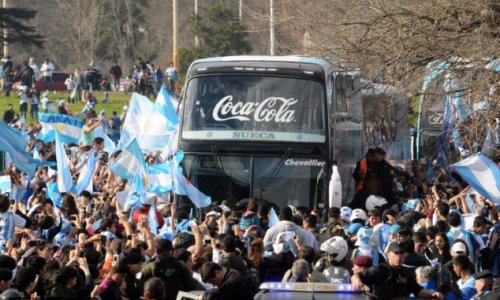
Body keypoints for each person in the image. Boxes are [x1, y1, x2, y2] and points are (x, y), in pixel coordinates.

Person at [351, 241, 443, 299]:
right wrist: (357, 281)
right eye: (396, 253)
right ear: (388, 254)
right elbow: (357, 276)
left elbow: (417, 290)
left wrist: (433, 294)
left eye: (401, 253)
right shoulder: (379, 270)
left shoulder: (407, 273)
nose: (399, 256)